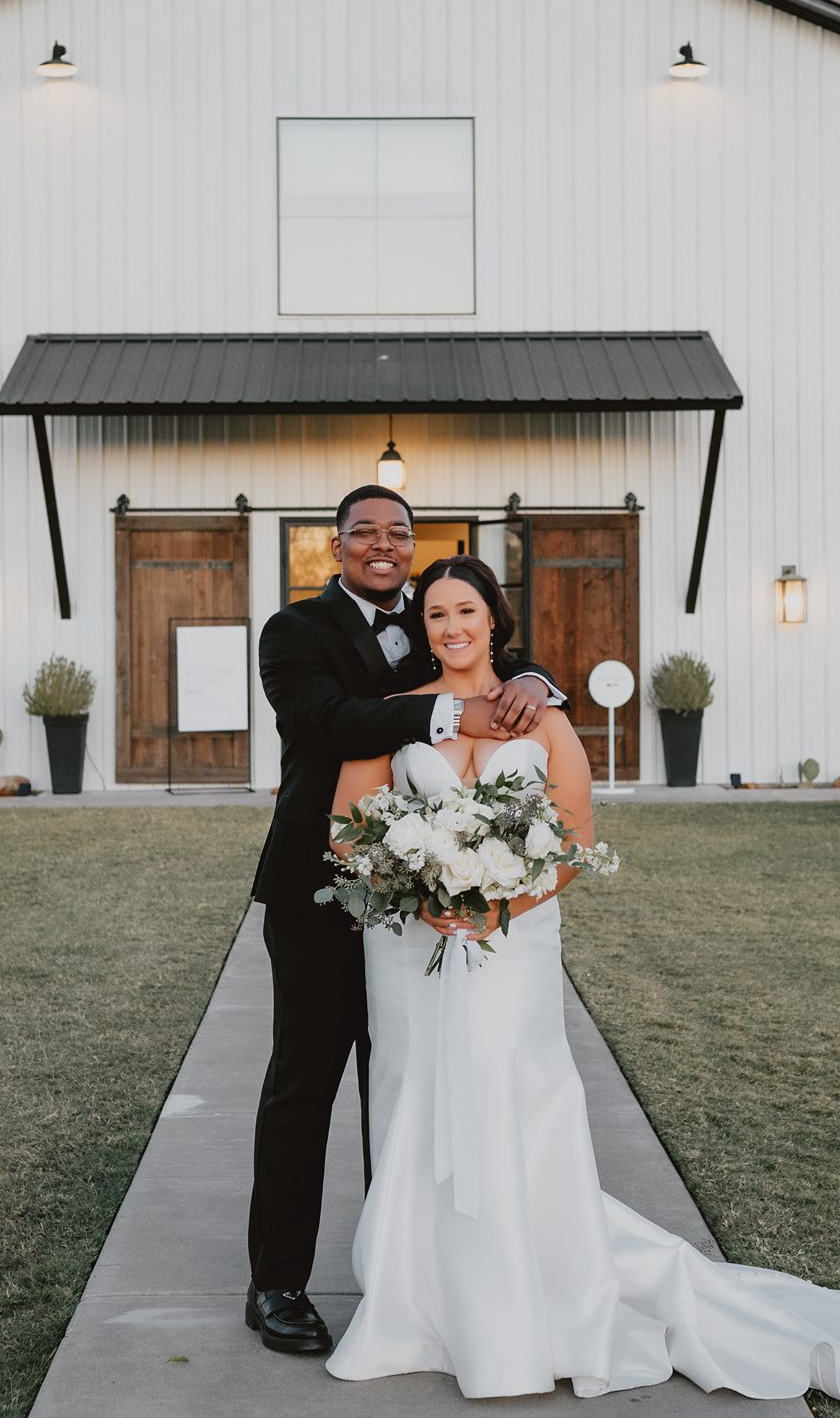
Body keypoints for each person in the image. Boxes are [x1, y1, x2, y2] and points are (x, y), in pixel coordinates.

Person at [321, 555, 840, 1402]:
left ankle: (532, 1304)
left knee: (512, 1097)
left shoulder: (541, 718)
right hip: (410, 952)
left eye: (464, 611)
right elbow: (348, 829)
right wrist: (414, 890)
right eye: (434, 615)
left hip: (510, 946)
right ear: (421, 629)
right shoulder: (394, 715)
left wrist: (501, 906)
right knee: (415, 1097)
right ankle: (415, 1303)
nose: (450, 628)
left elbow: (571, 842)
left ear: (494, 619)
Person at [244, 486, 563, 1356]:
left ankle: (408, 1277)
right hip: (319, 893)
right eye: (364, 533)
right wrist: (451, 712)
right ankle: (276, 1284)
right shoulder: (294, 632)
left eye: (399, 534)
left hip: (426, 917)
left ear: (414, 547)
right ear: (336, 546)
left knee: (410, 1093)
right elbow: (324, 721)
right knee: (303, 1088)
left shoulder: (434, 621)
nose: (382, 546)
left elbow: (497, 648)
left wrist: (536, 679)